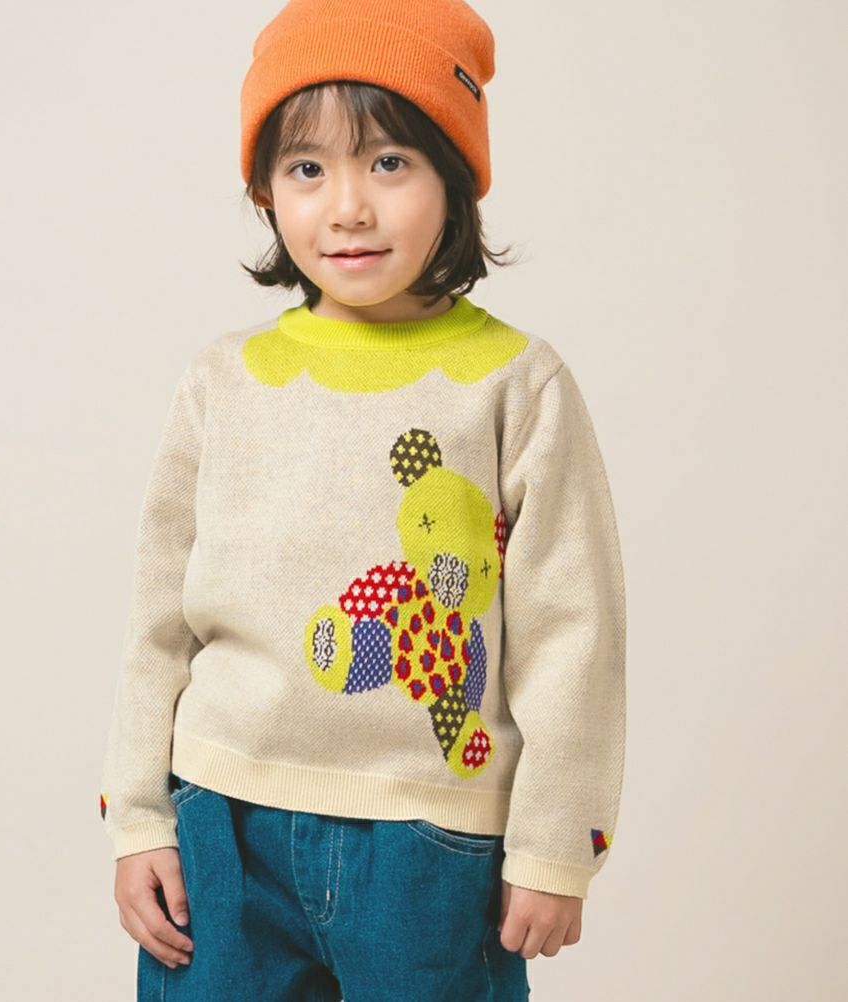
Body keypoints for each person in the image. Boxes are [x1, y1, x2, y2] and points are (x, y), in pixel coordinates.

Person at [99, 1, 627, 999]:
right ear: (264, 189)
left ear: (455, 176)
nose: (347, 207)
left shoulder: (516, 384)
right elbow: (159, 618)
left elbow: (574, 632)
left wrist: (557, 842)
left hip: (431, 845)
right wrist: (137, 818)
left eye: (389, 162)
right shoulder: (222, 381)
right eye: (307, 168)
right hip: (222, 824)